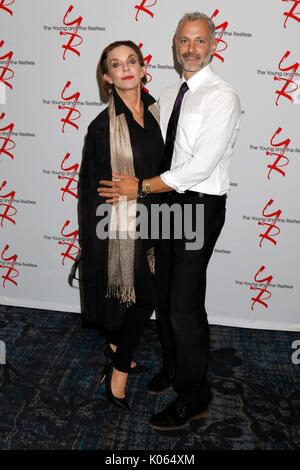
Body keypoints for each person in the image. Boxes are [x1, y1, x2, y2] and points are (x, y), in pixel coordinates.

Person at [99, 12, 241, 430]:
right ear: (174, 45)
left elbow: (199, 167)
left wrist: (140, 187)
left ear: (212, 45)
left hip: (198, 204)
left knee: (183, 305)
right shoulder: (166, 89)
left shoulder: (221, 95)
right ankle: (174, 367)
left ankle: (193, 396)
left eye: (199, 41)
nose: (191, 49)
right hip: (165, 203)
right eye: (183, 41)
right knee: (163, 293)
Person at [78, 40, 168, 411]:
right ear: (107, 77)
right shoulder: (102, 128)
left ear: (144, 68)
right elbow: (91, 191)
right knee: (144, 297)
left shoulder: (155, 109)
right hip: (120, 228)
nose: (126, 68)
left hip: (159, 216)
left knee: (150, 293)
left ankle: (117, 346)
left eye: (132, 61)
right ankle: (117, 371)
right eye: (116, 65)